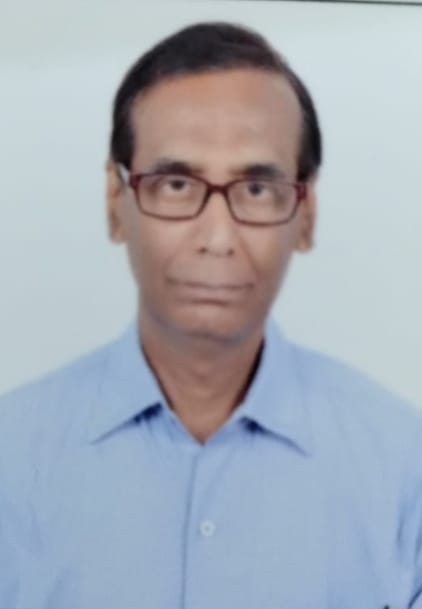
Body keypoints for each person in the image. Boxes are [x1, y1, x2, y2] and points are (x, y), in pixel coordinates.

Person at [0, 21, 421, 609]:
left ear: (306, 214)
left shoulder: (404, 466)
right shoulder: (11, 456)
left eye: (256, 189)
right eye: (176, 184)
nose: (217, 238)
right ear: (115, 203)